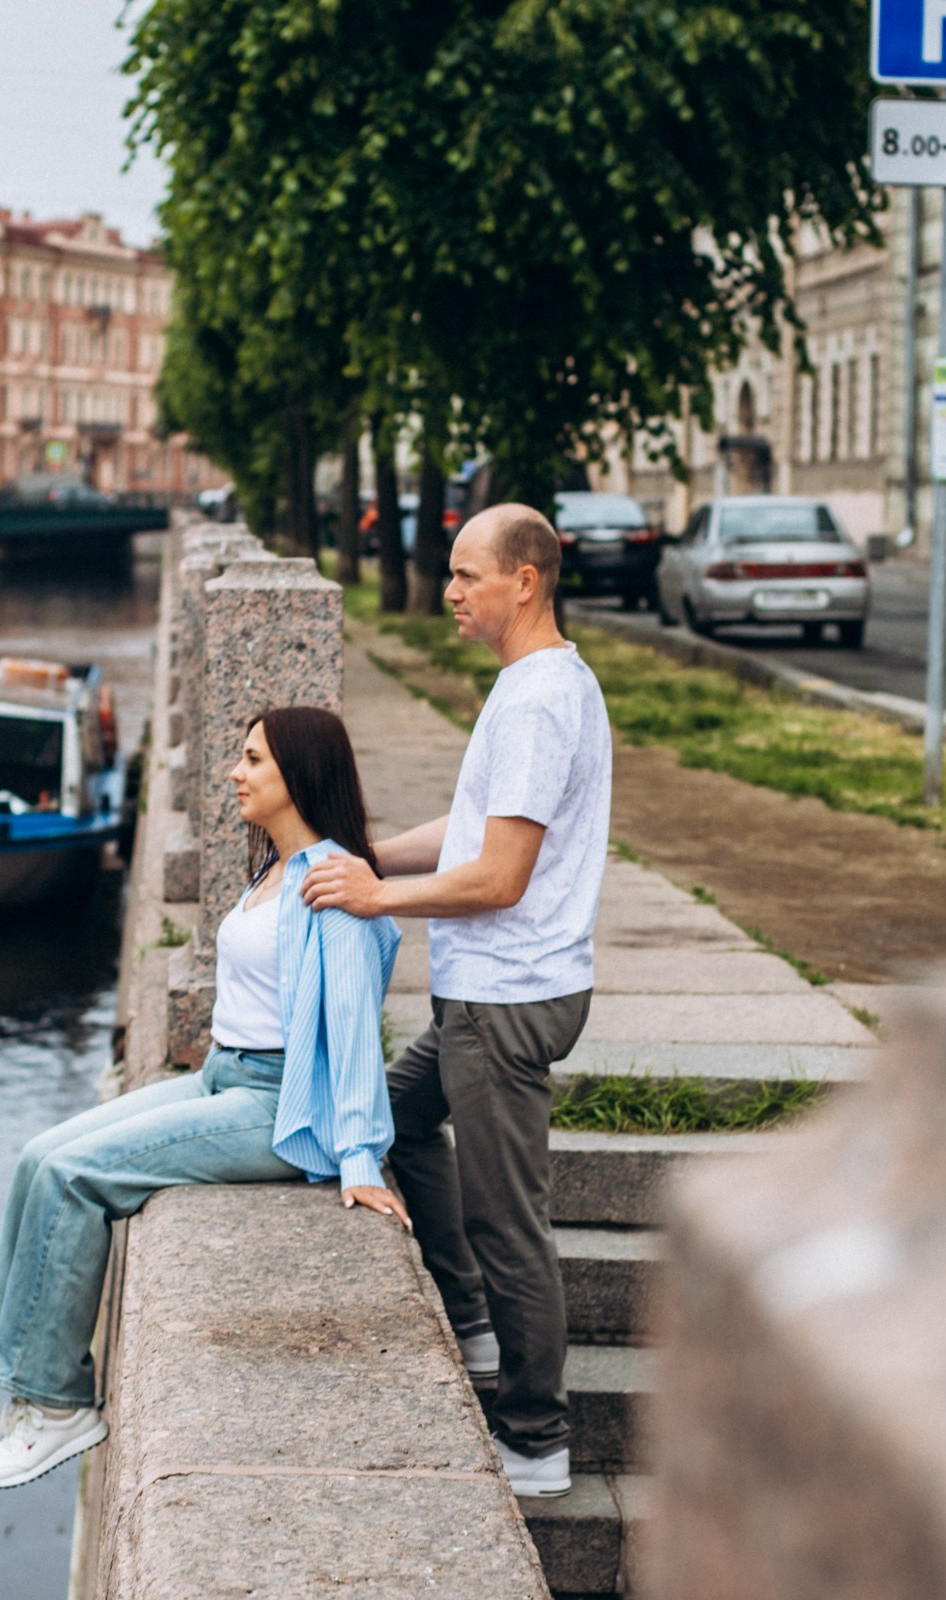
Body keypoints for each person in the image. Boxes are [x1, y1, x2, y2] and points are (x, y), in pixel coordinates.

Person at [0, 706, 407, 1490]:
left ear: (298, 777)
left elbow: (351, 1025)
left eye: (252, 761)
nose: (235, 773)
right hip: (223, 1076)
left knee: (78, 1178)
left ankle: (57, 1403)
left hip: (281, 1107)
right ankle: (22, 1393)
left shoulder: (332, 884)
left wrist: (362, 1157)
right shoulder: (276, 864)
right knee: (41, 1155)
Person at [301, 503, 611, 1499]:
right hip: (496, 993)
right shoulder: (542, 683)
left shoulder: (533, 702)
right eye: (450, 572)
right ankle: (475, 1328)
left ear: (527, 580)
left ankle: (534, 1435)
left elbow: (500, 877)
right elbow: (478, 827)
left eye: (467, 573)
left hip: (504, 999)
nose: (450, 591)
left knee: (508, 1222)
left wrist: (375, 895)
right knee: (388, 1117)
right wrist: (372, 853)